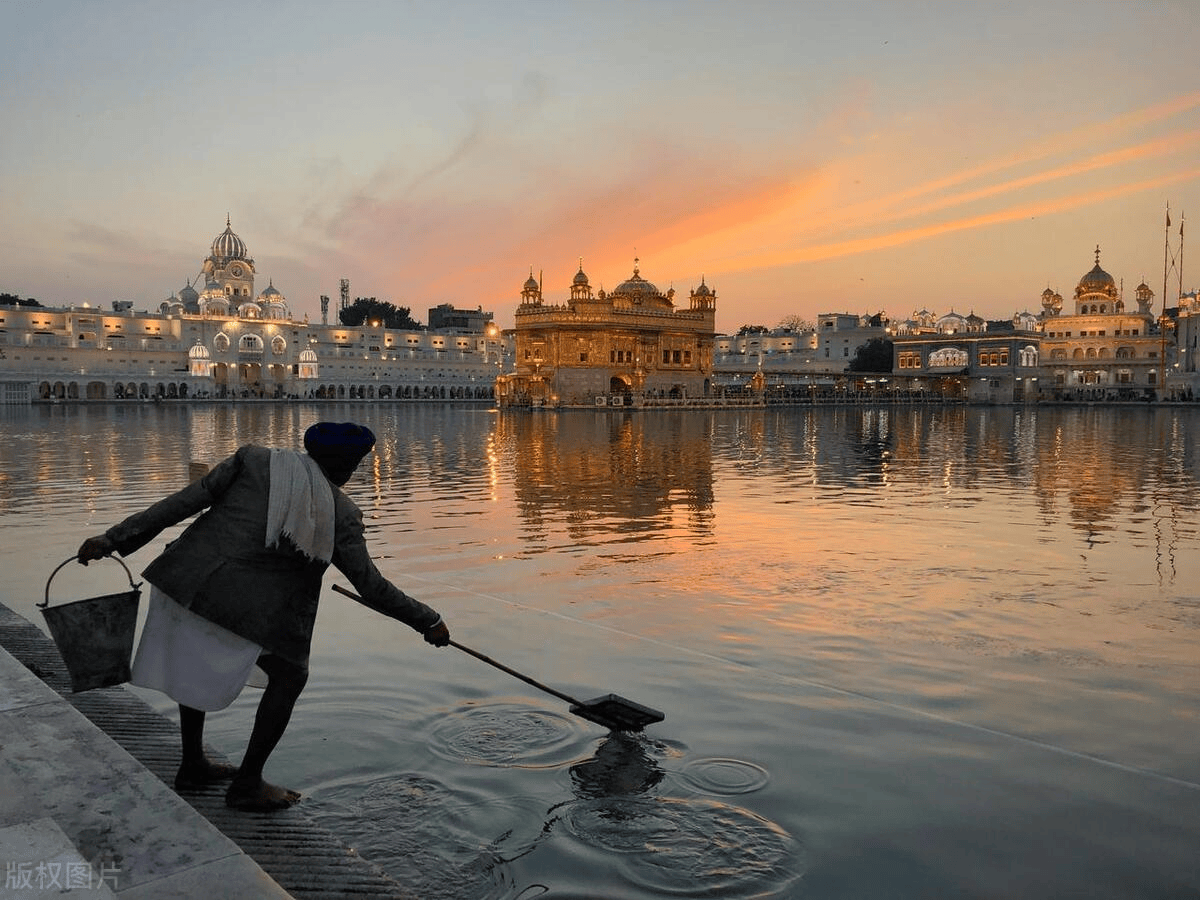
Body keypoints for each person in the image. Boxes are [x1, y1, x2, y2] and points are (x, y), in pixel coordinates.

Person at [77, 422, 450, 812]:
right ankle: (247, 783)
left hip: (185, 579)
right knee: (290, 675)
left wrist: (113, 539)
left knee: (195, 657)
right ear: (345, 465)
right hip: (242, 605)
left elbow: (182, 502)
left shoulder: (253, 460)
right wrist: (427, 620)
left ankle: (192, 764)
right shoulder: (340, 512)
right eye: (356, 463)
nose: (354, 471)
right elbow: (371, 586)